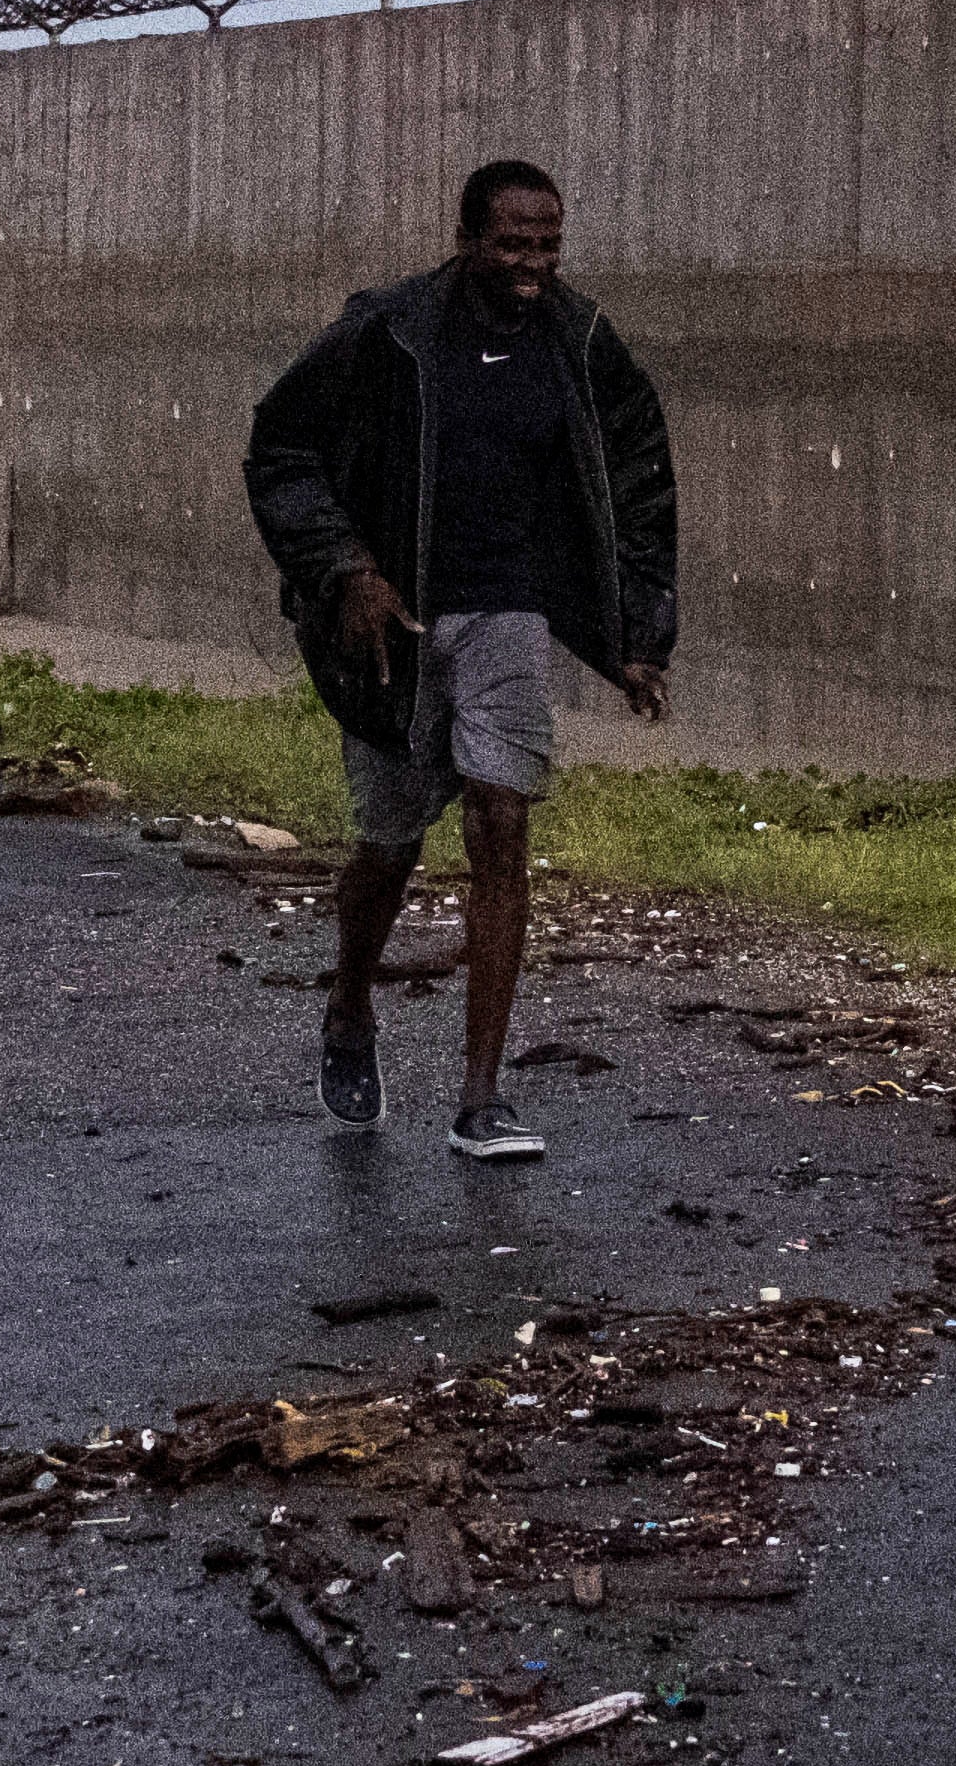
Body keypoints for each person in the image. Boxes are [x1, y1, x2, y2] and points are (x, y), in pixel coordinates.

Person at [242, 159, 678, 1155]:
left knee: (501, 819)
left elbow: (639, 479)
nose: (532, 263)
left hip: (509, 617)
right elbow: (280, 450)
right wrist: (349, 571)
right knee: (390, 843)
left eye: (548, 244)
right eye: (514, 243)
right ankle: (350, 1003)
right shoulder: (390, 329)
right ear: (470, 237)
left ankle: (482, 1098)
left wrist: (636, 640)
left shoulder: (581, 343)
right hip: (398, 624)